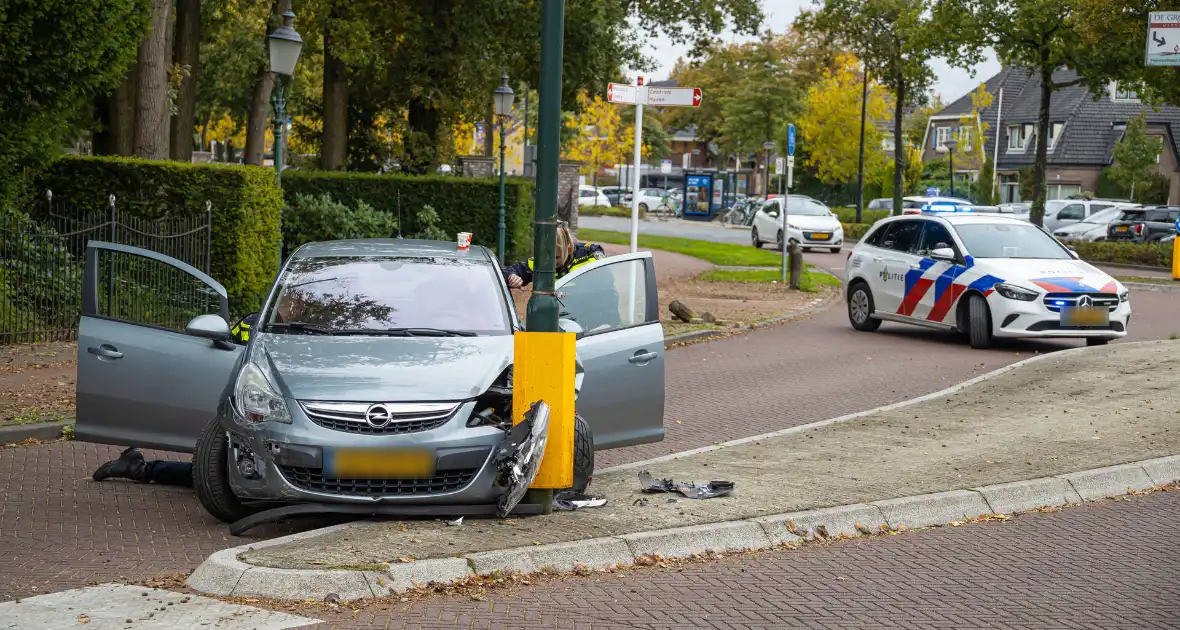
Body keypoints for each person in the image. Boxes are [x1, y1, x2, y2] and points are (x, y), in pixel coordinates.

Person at [91, 312, 257, 486]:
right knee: (220, 475)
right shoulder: (256, 322)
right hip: (244, 405)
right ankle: (140, 469)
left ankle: (137, 467)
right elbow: (228, 352)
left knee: (224, 474)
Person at [502, 223, 606, 288]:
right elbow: (508, 271)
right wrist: (512, 277)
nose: (551, 262)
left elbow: (605, 284)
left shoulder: (589, 255)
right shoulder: (538, 263)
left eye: (556, 257)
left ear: (568, 248)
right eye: (547, 257)